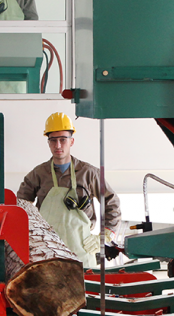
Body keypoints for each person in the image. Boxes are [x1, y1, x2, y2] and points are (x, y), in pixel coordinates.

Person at [17, 113, 121, 268]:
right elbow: (20, 206)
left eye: (63, 139)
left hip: (82, 249)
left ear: (71, 141)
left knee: (86, 290)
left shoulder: (89, 173)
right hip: (47, 251)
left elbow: (111, 202)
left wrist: (105, 234)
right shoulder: (38, 174)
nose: (58, 145)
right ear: (48, 143)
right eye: (53, 140)